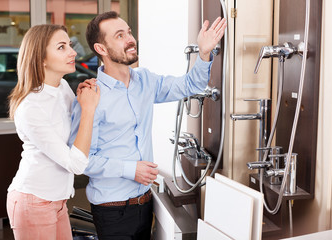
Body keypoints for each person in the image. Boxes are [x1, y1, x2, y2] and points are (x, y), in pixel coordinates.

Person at [69, 11, 227, 240]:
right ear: (101, 49)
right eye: (120, 35)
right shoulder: (90, 96)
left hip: (144, 203)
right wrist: (130, 169)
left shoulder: (145, 80)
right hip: (111, 209)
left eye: (129, 33)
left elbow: (191, 85)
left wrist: (204, 54)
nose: (130, 40)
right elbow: (83, 161)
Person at [6, 24, 100, 239]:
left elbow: (72, 133)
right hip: (34, 201)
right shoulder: (30, 107)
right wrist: (87, 109)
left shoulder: (63, 87)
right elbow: (75, 164)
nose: (73, 51)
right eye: (61, 47)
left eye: (69, 44)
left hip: (58, 201)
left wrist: (79, 102)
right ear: (42, 59)